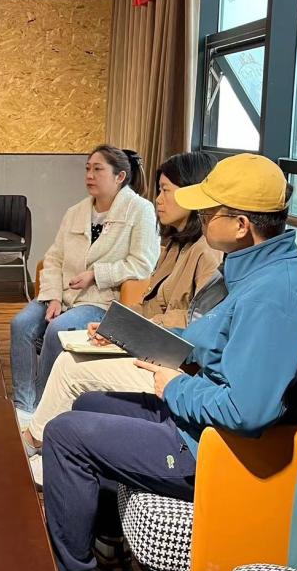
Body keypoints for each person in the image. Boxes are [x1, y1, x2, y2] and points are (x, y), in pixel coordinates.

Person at [41, 154, 297, 571]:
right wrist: (134, 336)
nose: (200, 217)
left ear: (240, 225)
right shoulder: (258, 271)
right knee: (90, 402)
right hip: (204, 428)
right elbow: (216, 342)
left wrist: (174, 387)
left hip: (220, 452)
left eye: (209, 211)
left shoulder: (274, 297)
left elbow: (246, 412)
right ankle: (109, 548)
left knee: (64, 434)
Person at [21, 151, 223, 487]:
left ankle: (35, 442)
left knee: (67, 358)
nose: (158, 200)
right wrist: (116, 328)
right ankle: (36, 430)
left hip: (173, 365)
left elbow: (194, 322)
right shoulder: (174, 244)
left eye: (166, 190)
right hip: (151, 345)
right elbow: (149, 304)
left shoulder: (205, 252)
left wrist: (127, 323)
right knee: (32, 329)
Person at [10, 145, 160, 421]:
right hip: (63, 294)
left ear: (120, 177)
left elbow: (142, 264)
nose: (89, 175)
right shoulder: (76, 212)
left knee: (57, 330)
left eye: (98, 169)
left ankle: (43, 409)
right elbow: (53, 258)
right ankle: (23, 405)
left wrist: (96, 274)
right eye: (88, 168)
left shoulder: (140, 210)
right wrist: (53, 296)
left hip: (101, 300)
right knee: (21, 324)